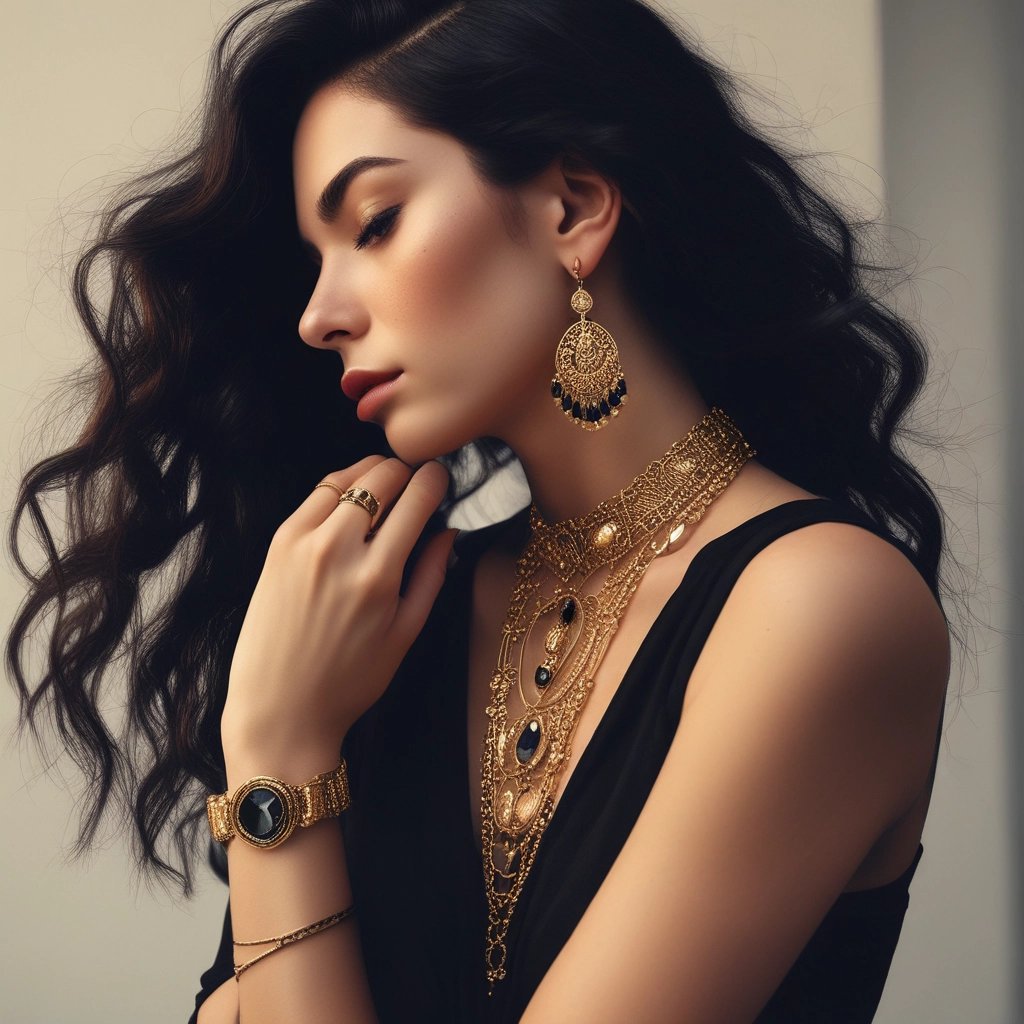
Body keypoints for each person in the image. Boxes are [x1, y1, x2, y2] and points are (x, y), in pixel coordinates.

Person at [6, 1, 960, 1021]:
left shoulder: (820, 607)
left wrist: (278, 754)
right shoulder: (389, 621)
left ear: (572, 209)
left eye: (374, 223)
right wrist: (287, 731)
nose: (318, 315)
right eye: (315, 260)